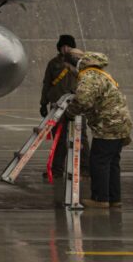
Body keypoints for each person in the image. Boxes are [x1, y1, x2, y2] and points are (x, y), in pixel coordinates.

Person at [66, 50, 133, 209]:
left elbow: (83, 100)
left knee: (99, 162)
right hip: (120, 123)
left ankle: (100, 198)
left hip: (107, 125)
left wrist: (70, 112)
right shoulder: (102, 74)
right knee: (112, 162)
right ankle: (114, 198)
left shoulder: (89, 76)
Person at [40, 35, 80, 180]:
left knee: (81, 139)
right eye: (63, 46)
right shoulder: (53, 63)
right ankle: (57, 169)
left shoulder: (80, 63)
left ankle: (85, 170)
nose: (65, 49)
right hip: (57, 105)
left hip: (76, 105)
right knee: (59, 138)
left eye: (68, 46)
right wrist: (43, 103)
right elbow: (46, 84)